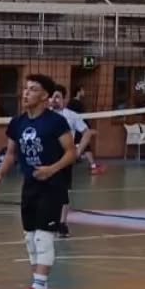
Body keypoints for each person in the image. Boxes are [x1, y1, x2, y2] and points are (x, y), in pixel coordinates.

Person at [0, 74, 75, 289]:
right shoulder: (18, 122)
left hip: (53, 184)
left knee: (43, 236)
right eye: (25, 89)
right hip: (30, 185)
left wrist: (51, 169)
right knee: (29, 237)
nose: (26, 93)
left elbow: (71, 153)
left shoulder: (56, 122)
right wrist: (0, 175)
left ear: (45, 96)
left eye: (33, 89)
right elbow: (11, 153)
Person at [47, 84, 92, 236]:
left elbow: (87, 132)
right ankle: (49, 220)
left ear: (64, 99)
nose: (54, 100)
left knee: (63, 191)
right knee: (46, 190)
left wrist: (78, 151)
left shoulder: (72, 115)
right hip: (47, 157)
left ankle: (62, 223)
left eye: (58, 97)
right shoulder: (44, 115)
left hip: (64, 156)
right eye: (52, 97)